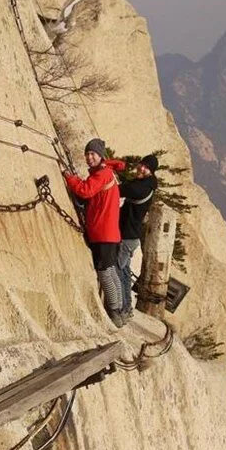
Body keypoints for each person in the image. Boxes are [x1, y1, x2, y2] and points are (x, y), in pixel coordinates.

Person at [63, 138, 126, 327]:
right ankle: (120, 309)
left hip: (102, 232)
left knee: (105, 272)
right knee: (112, 270)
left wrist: (69, 177)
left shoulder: (102, 174)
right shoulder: (108, 172)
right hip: (111, 233)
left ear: (100, 156)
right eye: (87, 154)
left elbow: (85, 190)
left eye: (93, 154)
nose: (89, 158)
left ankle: (114, 311)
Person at [106, 154, 158, 319]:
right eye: (142, 164)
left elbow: (120, 189)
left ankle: (121, 309)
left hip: (126, 237)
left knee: (118, 271)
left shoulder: (141, 188)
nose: (141, 168)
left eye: (146, 167)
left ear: (151, 172)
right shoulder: (145, 184)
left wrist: (107, 170)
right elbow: (127, 184)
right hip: (132, 237)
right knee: (125, 272)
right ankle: (128, 308)